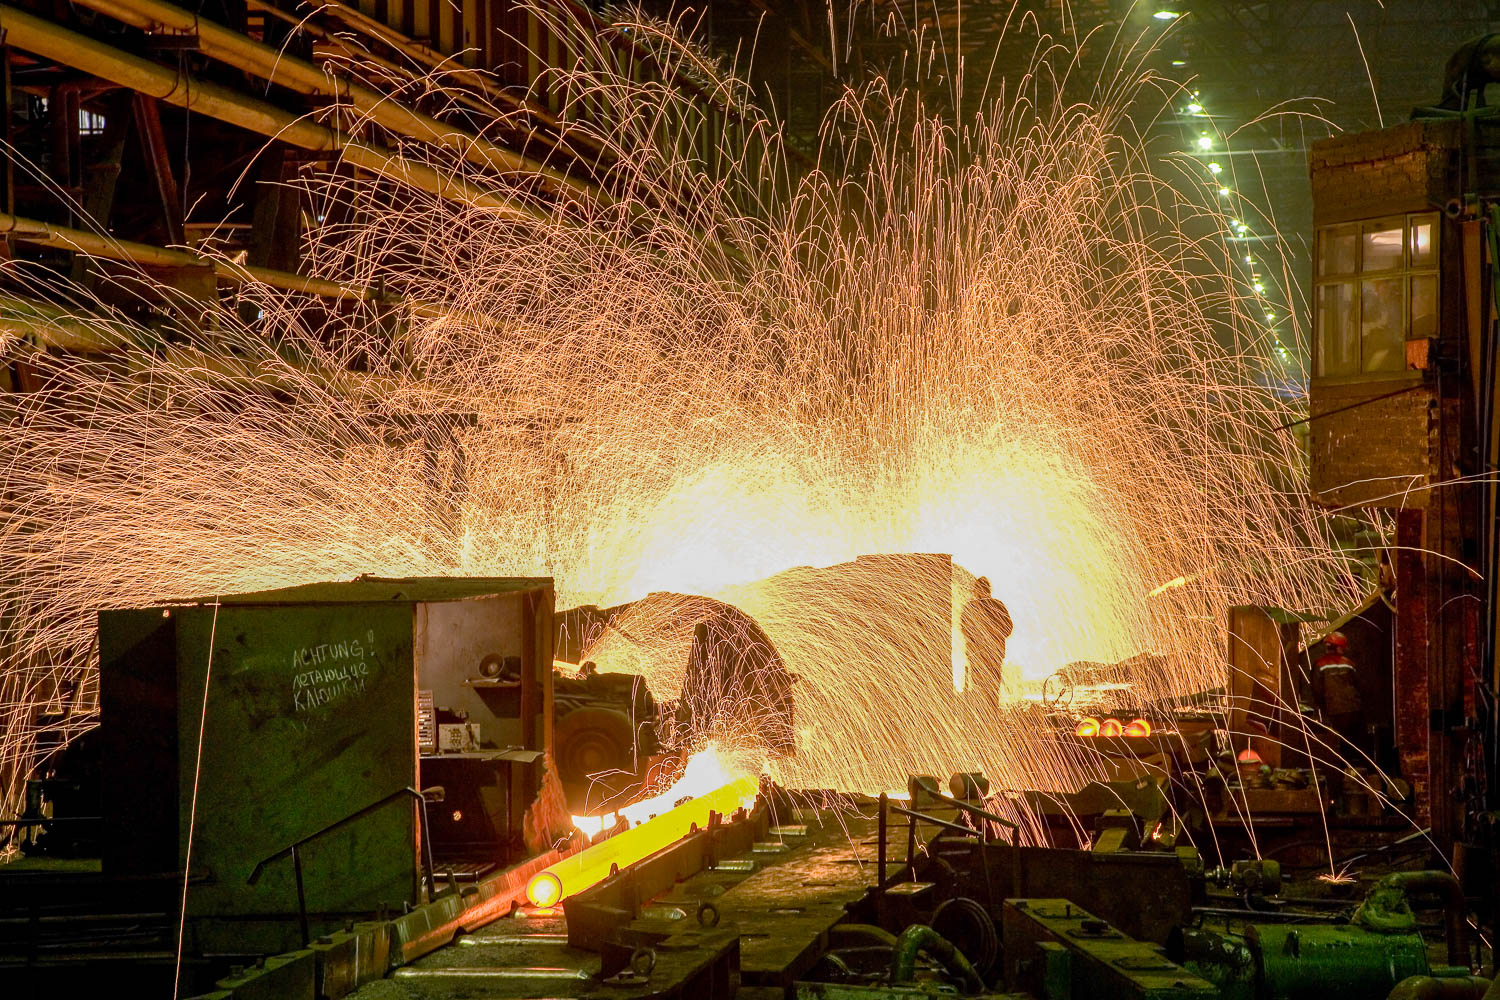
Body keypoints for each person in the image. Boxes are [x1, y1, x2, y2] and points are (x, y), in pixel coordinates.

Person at [961, 577, 1013, 710]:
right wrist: (994, 635)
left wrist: (979, 639)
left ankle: (982, 714)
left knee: (979, 688)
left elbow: (964, 630)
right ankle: (991, 713)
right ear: (989, 590)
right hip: (993, 655)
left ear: (977, 590)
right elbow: (1008, 628)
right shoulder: (998, 606)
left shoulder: (970, 607)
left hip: (978, 655)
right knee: (993, 689)